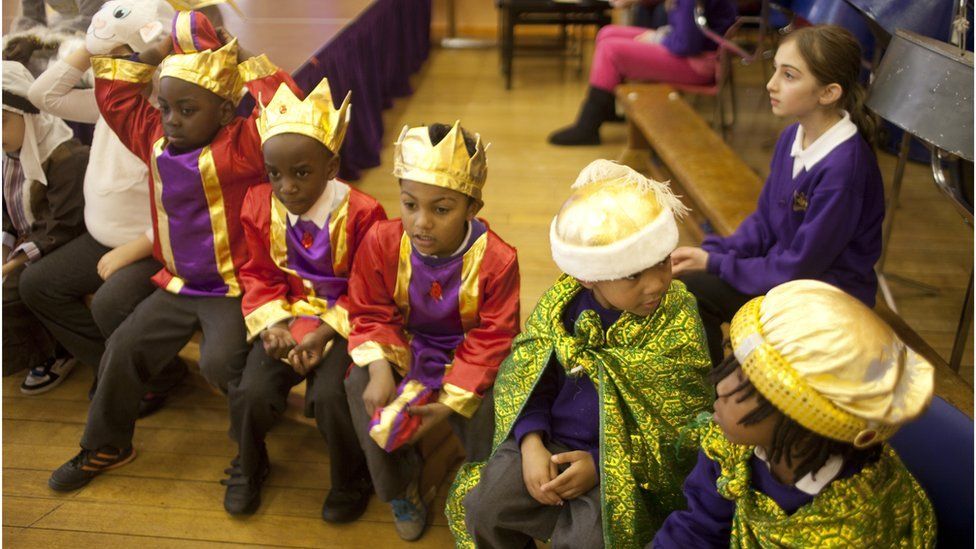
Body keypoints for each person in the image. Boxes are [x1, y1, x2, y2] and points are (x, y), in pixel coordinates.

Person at [47, 10, 301, 491]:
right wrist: (154, 53)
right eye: (165, 107)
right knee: (123, 346)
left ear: (227, 113)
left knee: (220, 363)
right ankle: (106, 443)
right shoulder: (154, 139)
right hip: (176, 285)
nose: (172, 120)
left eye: (188, 110)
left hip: (232, 288)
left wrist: (241, 56)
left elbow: (292, 110)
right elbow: (116, 95)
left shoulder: (245, 144)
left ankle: (251, 452)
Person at [450, 160, 712, 548]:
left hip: (618, 463)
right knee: (486, 507)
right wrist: (531, 441)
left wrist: (600, 465)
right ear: (588, 276)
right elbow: (530, 377)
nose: (657, 283)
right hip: (548, 438)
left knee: (591, 538)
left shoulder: (677, 316)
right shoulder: (563, 306)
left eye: (662, 262)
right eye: (633, 275)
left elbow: (679, 428)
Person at [653, 279, 937, 548]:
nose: (721, 386)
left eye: (744, 383)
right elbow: (698, 528)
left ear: (803, 420)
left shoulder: (852, 523)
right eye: (734, 366)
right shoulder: (729, 446)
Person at [345, 121, 520, 541]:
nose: (421, 223)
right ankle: (399, 487)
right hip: (407, 347)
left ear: (472, 206)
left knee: (489, 405)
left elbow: (494, 335)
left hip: (470, 357)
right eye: (409, 205)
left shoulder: (497, 259)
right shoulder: (382, 241)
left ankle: (480, 484)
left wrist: (451, 401)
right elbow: (369, 308)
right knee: (357, 387)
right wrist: (380, 365)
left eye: (441, 209)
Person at [672, 25, 885, 366]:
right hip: (790, 281)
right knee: (691, 285)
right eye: (776, 70)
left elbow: (801, 267)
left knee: (696, 293)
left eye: (789, 75)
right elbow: (764, 223)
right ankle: (718, 389)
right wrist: (713, 252)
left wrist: (716, 265)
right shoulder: (792, 137)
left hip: (825, 301)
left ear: (828, 93)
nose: (771, 84)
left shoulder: (843, 170)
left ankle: (717, 397)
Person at [227, 78, 387, 518]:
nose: (287, 187)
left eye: (301, 173)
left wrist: (322, 334)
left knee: (333, 397)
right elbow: (258, 273)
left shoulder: (363, 213)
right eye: (274, 174)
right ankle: (249, 464)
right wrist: (273, 326)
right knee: (251, 391)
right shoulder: (259, 206)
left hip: (345, 321)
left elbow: (371, 288)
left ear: (331, 166)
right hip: (289, 315)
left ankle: (350, 478)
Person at [21, 43, 189, 405]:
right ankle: (120, 368)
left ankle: (155, 377)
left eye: (133, 62)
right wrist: (91, 42)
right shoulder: (108, 105)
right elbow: (42, 94)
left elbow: (186, 212)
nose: (122, 70)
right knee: (36, 284)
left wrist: (133, 250)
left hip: (154, 246)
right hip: (102, 239)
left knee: (110, 302)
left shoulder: (170, 123)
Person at [548, 0, 736, 145]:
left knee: (610, 50)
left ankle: (587, 127)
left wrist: (657, 38)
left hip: (699, 64)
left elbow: (686, 44)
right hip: (695, 53)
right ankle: (606, 110)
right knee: (607, 33)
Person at [2, 61, 88, 379]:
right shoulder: (8, 155)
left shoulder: (65, 156)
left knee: (11, 293)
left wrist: (12, 263)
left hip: (59, 242)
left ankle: (53, 351)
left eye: (2, 122)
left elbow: (63, 223)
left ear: (28, 114)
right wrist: (4, 245)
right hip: (27, 240)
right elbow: (7, 211)